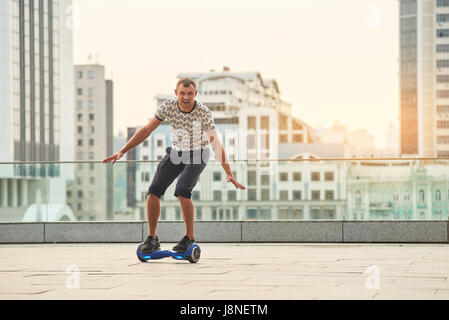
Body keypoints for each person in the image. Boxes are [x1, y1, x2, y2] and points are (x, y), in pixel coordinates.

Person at [103, 77, 245, 253]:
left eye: (190, 94)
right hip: (177, 152)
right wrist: (123, 151)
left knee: (182, 191)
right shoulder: (168, 106)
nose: (186, 97)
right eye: (182, 93)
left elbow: (215, 143)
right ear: (176, 93)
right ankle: (152, 238)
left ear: (195, 94)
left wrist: (229, 172)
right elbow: (147, 130)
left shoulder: (203, 112)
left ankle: (189, 238)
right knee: (153, 191)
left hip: (198, 153)